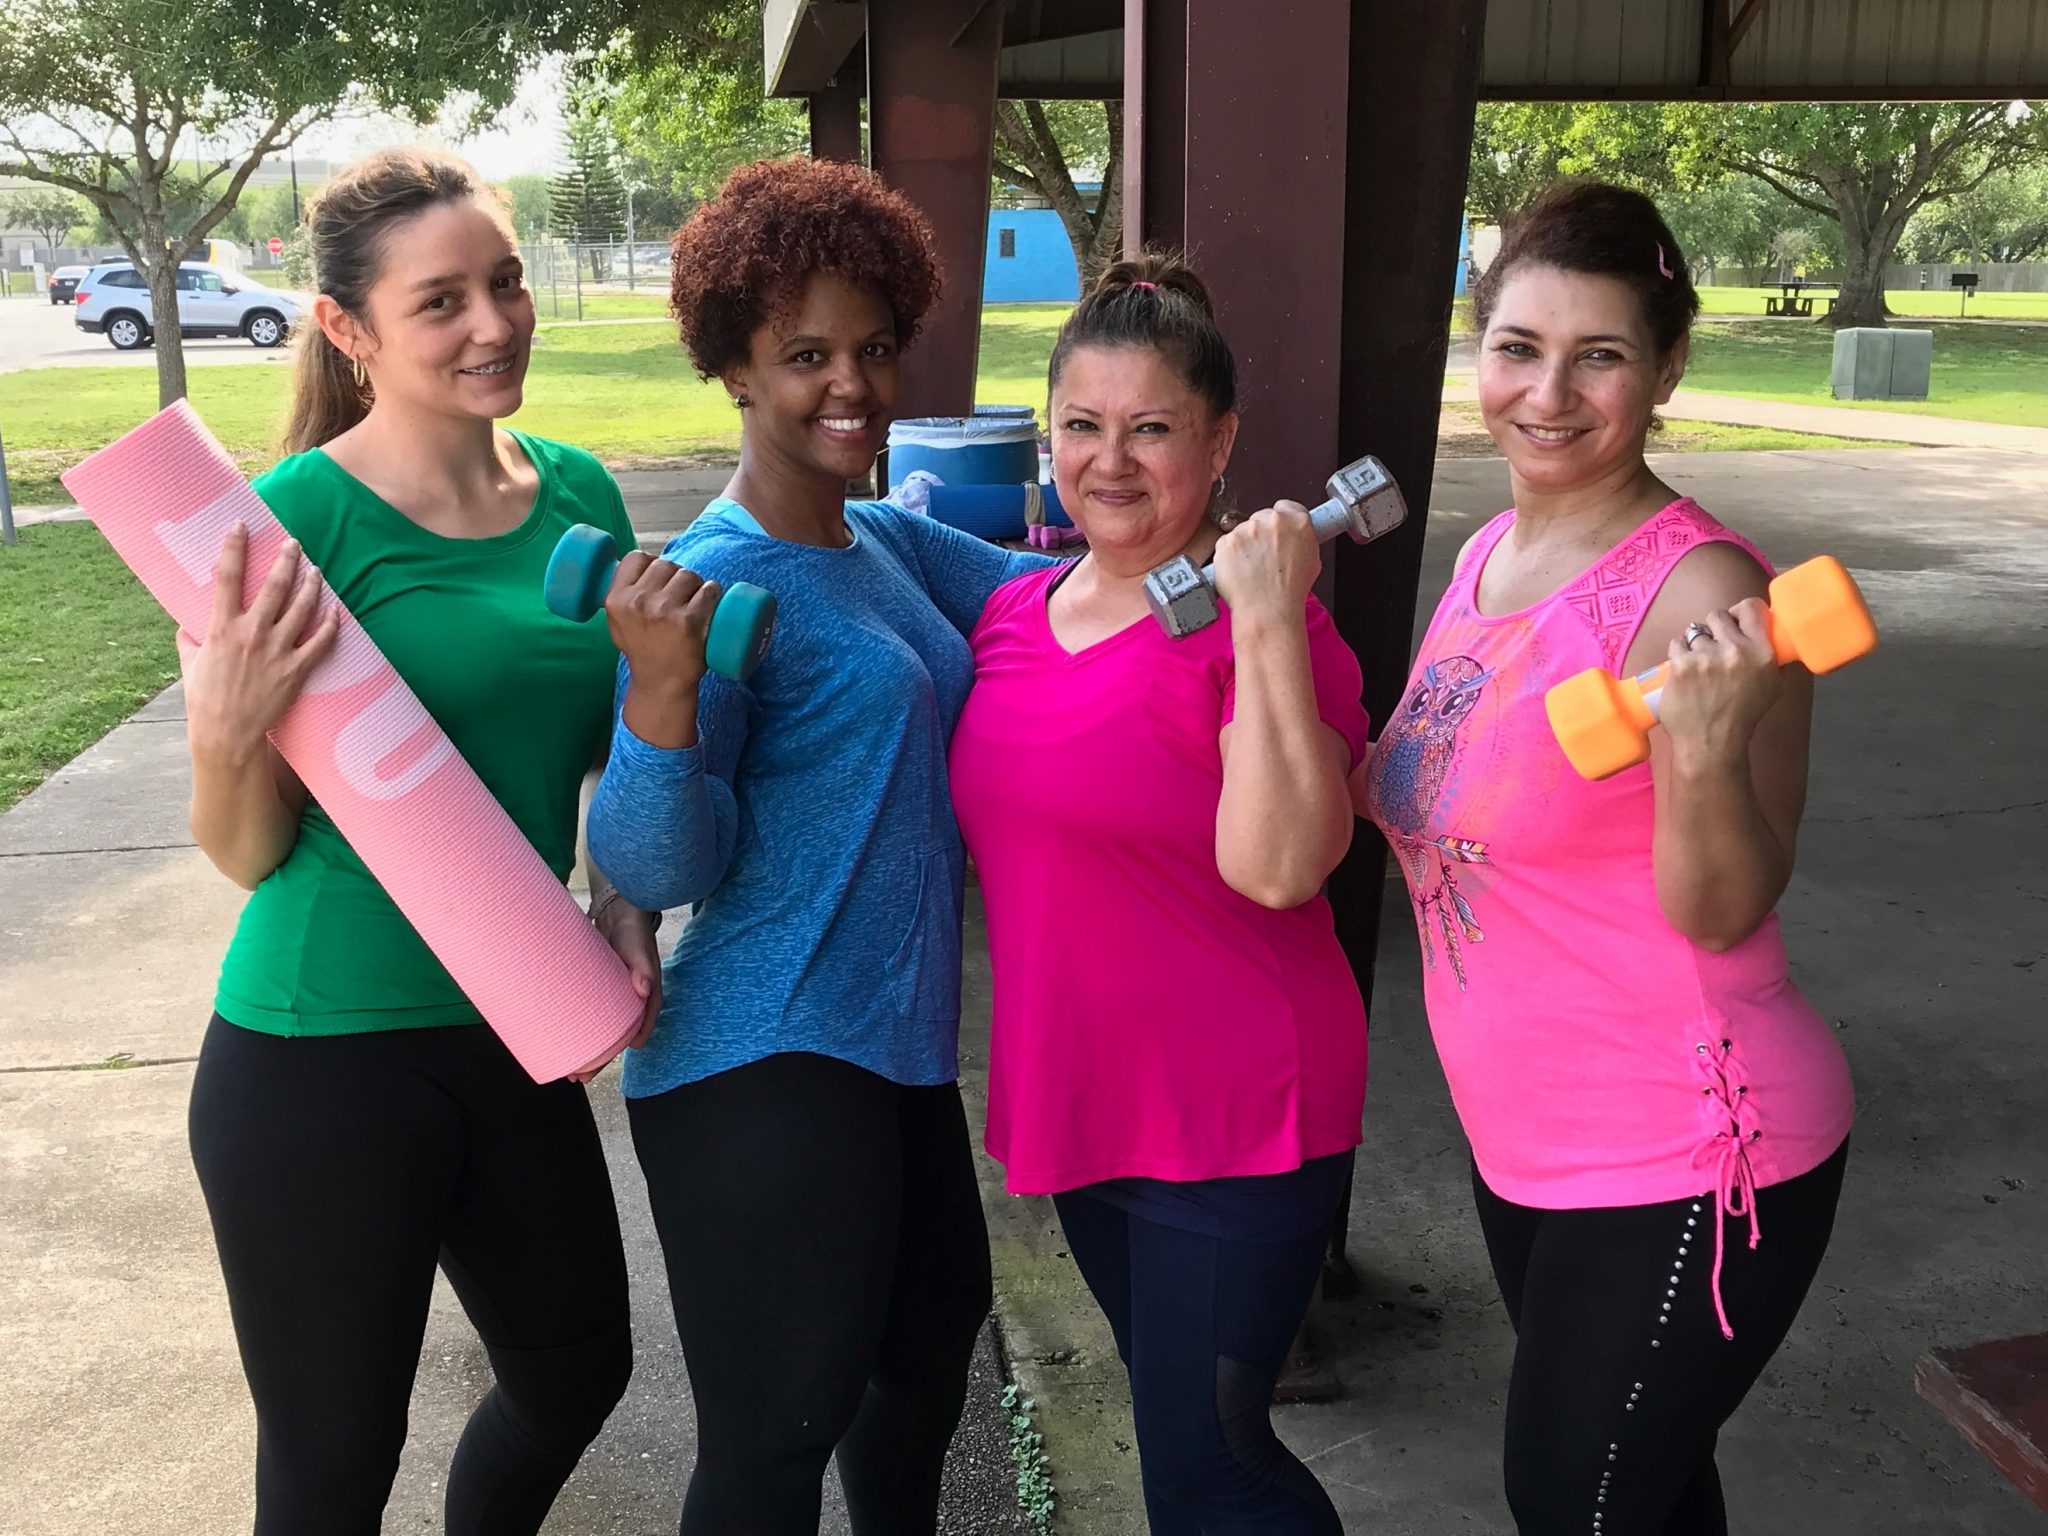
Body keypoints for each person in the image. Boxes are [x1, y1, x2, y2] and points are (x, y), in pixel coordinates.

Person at [1355, 181, 1855, 1535]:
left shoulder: (1710, 600)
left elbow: (1728, 905)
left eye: (1602, 355)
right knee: (1648, 1492)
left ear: (1668, 369)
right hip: (1526, 1143)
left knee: (1574, 1500)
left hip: (1691, 1141)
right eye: (1519, 346)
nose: (1549, 392)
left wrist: (1698, 747)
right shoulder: (1485, 560)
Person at [179, 148, 653, 1534]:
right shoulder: (289, 525)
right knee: (331, 1467)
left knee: (578, 1369)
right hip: (316, 1052)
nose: (493, 323)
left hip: (514, 1017)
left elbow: (622, 743)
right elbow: (246, 853)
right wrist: (225, 731)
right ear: (349, 329)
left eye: (503, 283)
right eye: (439, 302)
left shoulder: (579, 491)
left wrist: (620, 892)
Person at [582, 156, 1053, 1535]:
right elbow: (663, 869)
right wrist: (663, 699)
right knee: (779, 1436)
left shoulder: (886, 547)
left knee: (920, 1374)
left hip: (892, 1049)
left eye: (870, 349)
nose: (850, 385)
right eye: (804, 355)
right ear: (734, 364)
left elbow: (1060, 598)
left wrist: (1182, 522)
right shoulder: (709, 587)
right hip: (763, 1054)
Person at [948, 254, 1370, 1532]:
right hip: (1090, 1103)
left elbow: (1285, 864)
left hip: (1236, 1111)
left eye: (1151, 429)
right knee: (1178, 1435)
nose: (1110, 462)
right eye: (1081, 426)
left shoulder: (1274, 631)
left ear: (1220, 439)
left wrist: (1262, 621)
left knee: (1213, 1471)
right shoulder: (1012, 614)